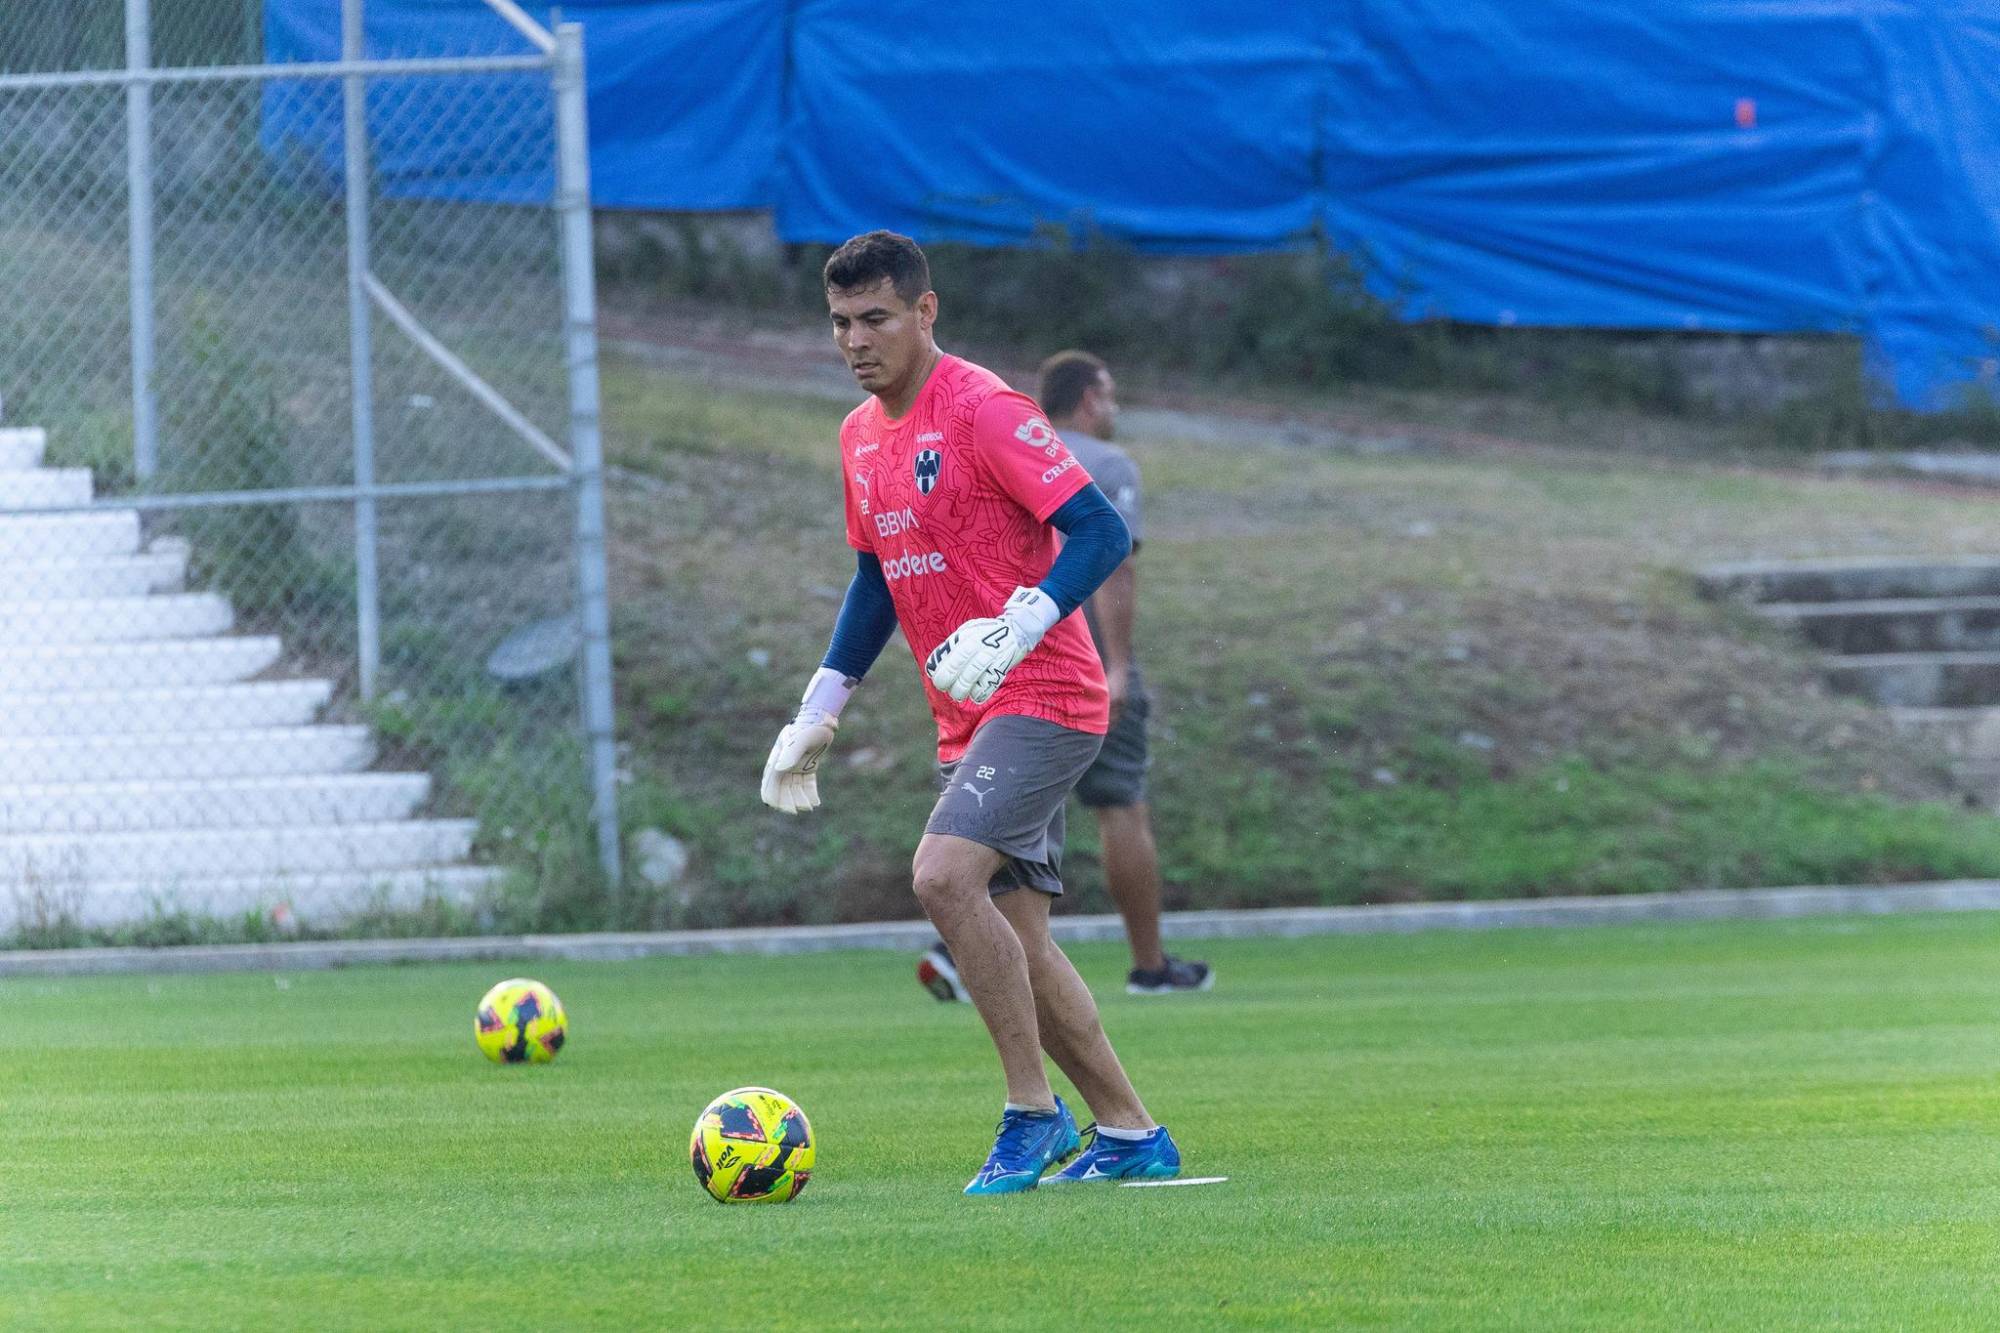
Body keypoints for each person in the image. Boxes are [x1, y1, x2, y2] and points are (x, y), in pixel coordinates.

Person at [760, 231, 1182, 1192]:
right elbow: (876, 578)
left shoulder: (986, 408)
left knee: (943, 876)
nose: (855, 340)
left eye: (875, 318)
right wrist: (821, 705)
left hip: (1047, 694)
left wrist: (1024, 618)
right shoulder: (859, 436)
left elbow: (1100, 531)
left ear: (925, 311)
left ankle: (1031, 1113)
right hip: (970, 717)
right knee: (1020, 942)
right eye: (839, 323)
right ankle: (1130, 1133)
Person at [920, 353, 1211, 1002]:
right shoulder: (1107, 465)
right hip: (1072, 668)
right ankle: (1149, 965)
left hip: (995, 668)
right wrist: (1117, 664)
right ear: (1085, 398)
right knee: (1120, 805)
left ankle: (963, 940)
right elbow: (1116, 565)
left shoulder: (991, 446)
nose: (1114, 406)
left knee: (1014, 813)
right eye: (1108, 393)